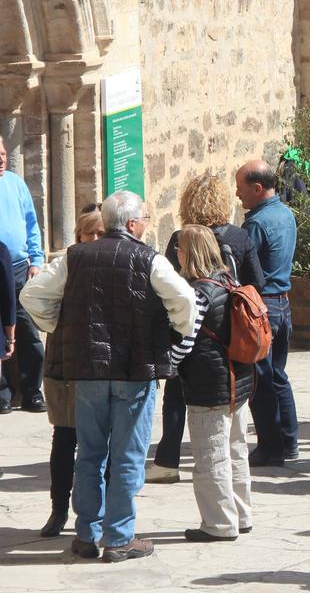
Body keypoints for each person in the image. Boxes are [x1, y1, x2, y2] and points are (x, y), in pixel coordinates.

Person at [20, 191, 197, 562]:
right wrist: (174, 333)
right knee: (128, 455)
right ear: (132, 224)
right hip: (134, 370)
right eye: (145, 217)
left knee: (90, 453)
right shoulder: (149, 259)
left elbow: (32, 295)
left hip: (88, 369)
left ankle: (87, 533)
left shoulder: (75, 258)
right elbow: (185, 300)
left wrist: (57, 324)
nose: (147, 223)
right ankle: (118, 537)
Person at [149, 174, 265, 482]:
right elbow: (257, 282)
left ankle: (167, 461)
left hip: (191, 323)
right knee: (233, 399)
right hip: (231, 325)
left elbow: (168, 285)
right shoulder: (239, 237)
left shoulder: (179, 239)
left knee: (176, 394)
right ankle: (232, 463)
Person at [170, 225, 255, 543]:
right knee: (235, 450)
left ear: (187, 253)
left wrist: (164, 365)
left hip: (210, 385)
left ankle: (218, 524)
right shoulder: (228, 279)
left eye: (179, 249)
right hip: (238, 380)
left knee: (210, 455)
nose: (176, 253)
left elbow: (184, 344)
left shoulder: (196, 293)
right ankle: (241, 515)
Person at [35, 209, 102, 538]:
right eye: (90, 233)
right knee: (65, 438)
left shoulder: (113, 262)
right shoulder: (66, 264)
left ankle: (98, 515)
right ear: (79, 236)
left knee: (102, 444)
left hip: (100, 368)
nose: (95, 240)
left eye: (101, 233)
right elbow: (33, 296)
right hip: (66, 364)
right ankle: (59, 508)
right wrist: (52, 324)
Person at [235, 159, 299, 468]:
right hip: (283, 304)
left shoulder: (256, 224)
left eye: (241, 188)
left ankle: (271, 448)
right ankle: (289, 440)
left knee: (261, 381)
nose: (238, 195)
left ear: (257, 188)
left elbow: (250, 270)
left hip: (264, 306)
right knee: (278, 376)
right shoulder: (285, 213)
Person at [0, 135, 45, 413]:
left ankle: (32, 392)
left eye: (3, 153)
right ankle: (2, 392)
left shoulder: (16, 184)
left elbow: (32, 224)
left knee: (28, 333)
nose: (1, 158)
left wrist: (36, 260)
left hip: (18, 270)